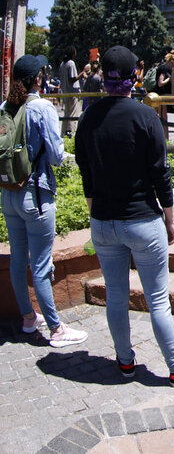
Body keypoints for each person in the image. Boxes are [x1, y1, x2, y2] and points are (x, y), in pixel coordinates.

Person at [75, 46, 174, 386]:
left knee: (116, 297)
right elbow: (160, 173)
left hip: (104, 222)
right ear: (135, 77)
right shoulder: (145, 116)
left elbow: (85, 171)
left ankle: (124, 362)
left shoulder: (88, 117)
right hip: (142, 219)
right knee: (157, 300)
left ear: (103, 78)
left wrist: (96, 215)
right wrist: (170, 218)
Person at [1, 54, 87, 348]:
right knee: (39, 264)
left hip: (9, 194)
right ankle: (56, 329)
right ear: (37, 79)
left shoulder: (4, 106)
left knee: (17, 260)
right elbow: (54, 155)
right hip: (36, 194)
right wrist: (73, 159)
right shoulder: (42, 108)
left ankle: (28, 319)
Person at [57, 46, 85, 136]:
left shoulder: (62, 64)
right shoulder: (71, 63)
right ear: (73, 53)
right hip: (72, 92)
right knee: (73, 115)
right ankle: (71, 133)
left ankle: (63, 133)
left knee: (66, 114)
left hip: (65, 92)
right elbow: (73, 79)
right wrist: (83, 72)